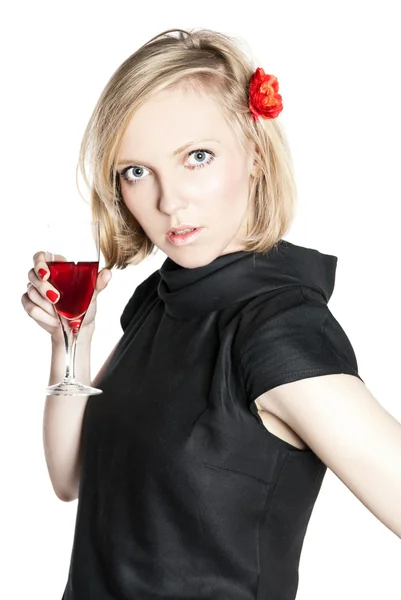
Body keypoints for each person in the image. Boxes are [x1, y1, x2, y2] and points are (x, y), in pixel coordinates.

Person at [21, 27, 401, 600]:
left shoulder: (277, 330)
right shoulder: (159, 300)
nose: (169, 201)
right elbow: (70, 478)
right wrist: (71, 339)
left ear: (254, 153)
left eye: (196, 157)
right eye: (136, 171)